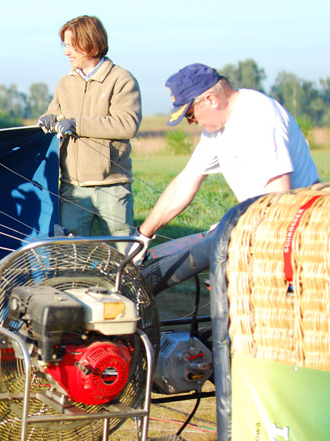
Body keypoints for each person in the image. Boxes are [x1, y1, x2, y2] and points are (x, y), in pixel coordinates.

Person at [133, 63, 319, 293]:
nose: (191, 122)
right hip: (256, 221)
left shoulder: (258, 116)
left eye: (190, 114)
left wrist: (240, 236)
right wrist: (142, 236)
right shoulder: (217, 130)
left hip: (292, 233)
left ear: (211, 100)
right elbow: (186, 182)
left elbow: (279, 197)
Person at [38, 15, 141, 240]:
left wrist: (77, 124)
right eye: (65, 45)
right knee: (72, 254)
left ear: (89, 43)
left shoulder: (122, 79)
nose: (66, 52)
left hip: (113, 186)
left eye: (70, 45)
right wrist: (47, 119)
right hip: (72, 188)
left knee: (120, 253)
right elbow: (54, 113)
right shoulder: (65, 83)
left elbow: (127, 124)